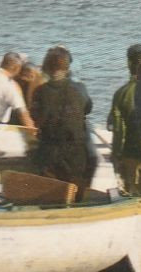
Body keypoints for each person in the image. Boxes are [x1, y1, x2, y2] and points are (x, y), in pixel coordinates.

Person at [29, 46, 95, 201]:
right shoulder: (80, 88)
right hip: (76, 152)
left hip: (49, 151)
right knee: (76, 191)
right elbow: (88, 108)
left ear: (47, 67)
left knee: (50, 193)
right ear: (67, 67)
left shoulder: (40, 92)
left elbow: (35, 118)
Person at [107, 44, 141, 196]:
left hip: (132, 155)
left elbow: (119, 131)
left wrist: (116, 158)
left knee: (134, 199)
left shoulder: (121, 94)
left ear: (129, 64)